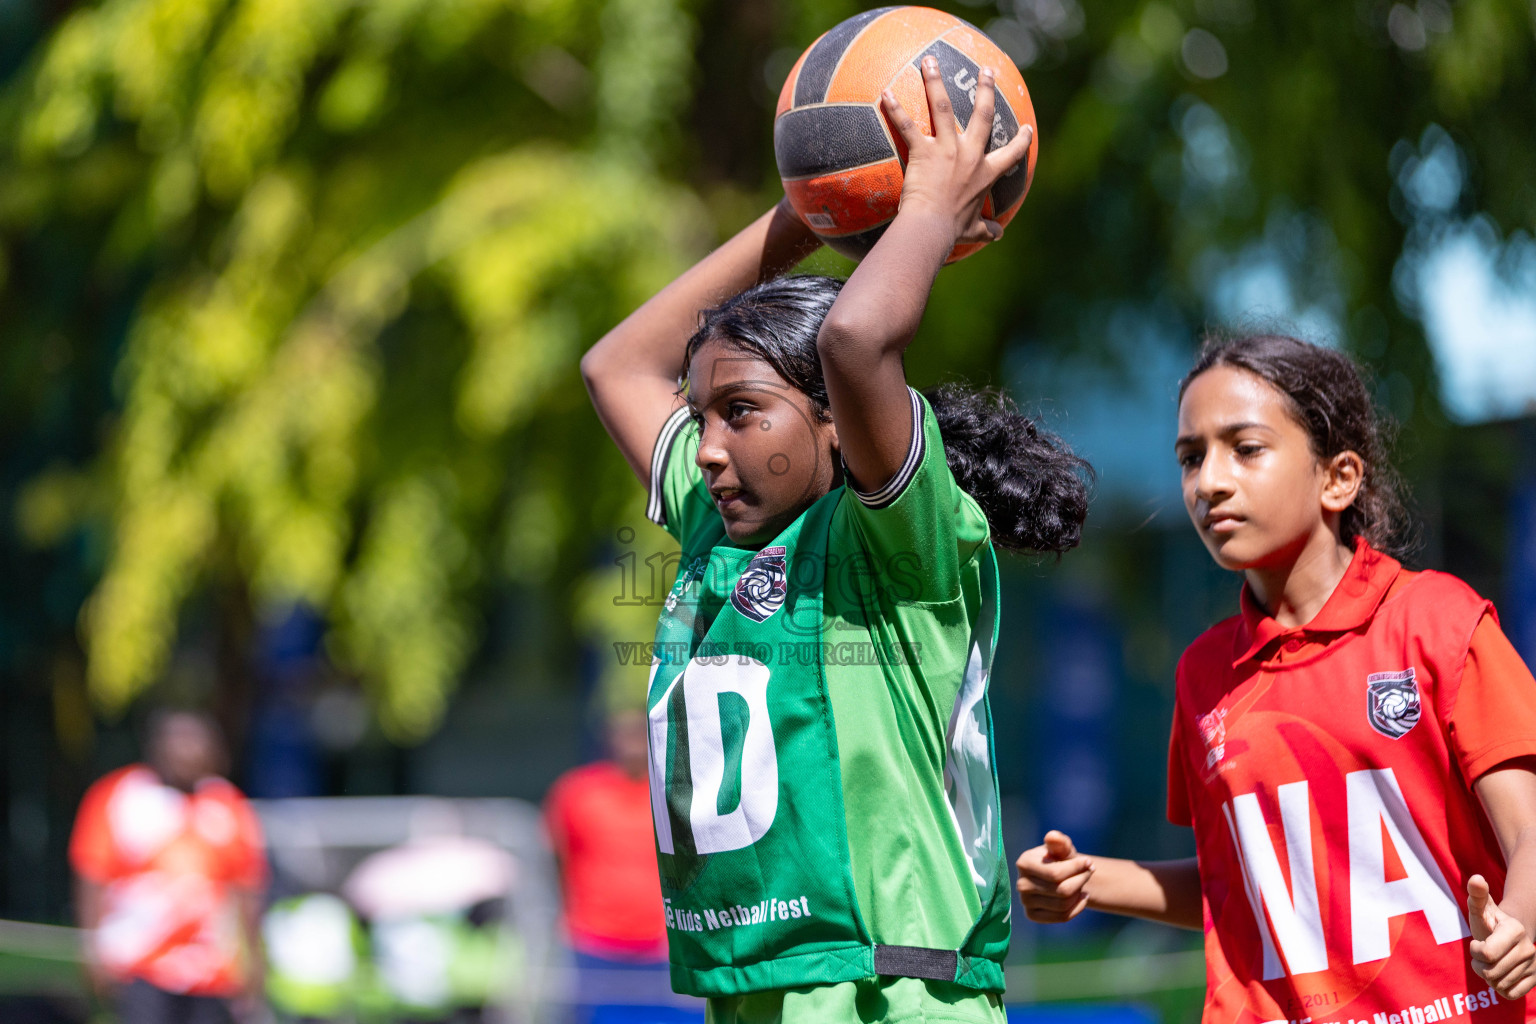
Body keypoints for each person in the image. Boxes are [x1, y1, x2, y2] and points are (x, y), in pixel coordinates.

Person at [582, 58, 1089, 1022]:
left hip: (891, 991)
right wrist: (814, 205)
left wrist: (927, 207)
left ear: (832, 425)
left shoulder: (893, 542)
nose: (711, 450)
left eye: (742, 412)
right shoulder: (719, 527)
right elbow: (616, 364)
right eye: (702, 418)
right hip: (758, 993)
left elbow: (856, 342)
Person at [1015, 333, 1536, 1020]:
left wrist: (1521, 920)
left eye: (1246, 448)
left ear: (1338, 477)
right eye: (1191, 457)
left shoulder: (1440, 623)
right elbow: (1252, 885)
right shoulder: (1203, 674)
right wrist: (1093, 880)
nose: (1210, 481)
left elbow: (1527, 833)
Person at [70, 709, 268, 1024]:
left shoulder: (228, 806)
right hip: (139, 964)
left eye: (196, 741)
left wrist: (255, 961)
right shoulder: (119, 796)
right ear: (156, 746)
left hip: (211, 970)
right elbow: (93, 877)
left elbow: (246, 888)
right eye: (178, 740)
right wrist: (93, 950)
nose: (187, 750)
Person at [544, 709, 675, 1017]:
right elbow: (557, 857)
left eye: (638, 733)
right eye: (624, 733)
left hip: (660, 944)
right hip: (595, 942)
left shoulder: (672, 793)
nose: (633, 743)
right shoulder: (578, 793)